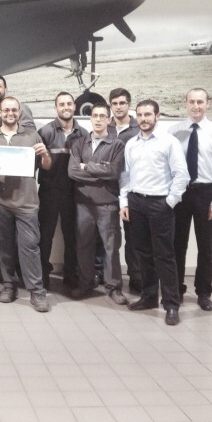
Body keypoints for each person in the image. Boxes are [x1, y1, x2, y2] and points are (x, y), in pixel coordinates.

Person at [119, 99, 189, 326]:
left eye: (148, 114)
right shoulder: (131, 144)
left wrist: (170, 202)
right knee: (142, 253)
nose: (143, 119)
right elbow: (126, 176)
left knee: (164, 255)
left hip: (160, 204)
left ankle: (171, 305)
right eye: (140, 115)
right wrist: (124, 202)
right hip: (136, 203)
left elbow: (182, 175)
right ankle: (149, 297)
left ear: (157, 116)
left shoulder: (169, 142)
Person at [0, 96, 52, 312]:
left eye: (14, 110)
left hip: (26, 203)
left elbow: (46, 166)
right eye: (6, 110)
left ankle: (37, 292)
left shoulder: (32, 135)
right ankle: (9, 285)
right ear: (0, 112)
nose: (10, 113)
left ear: (19, 112)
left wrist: (45, 154)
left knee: (30, 246)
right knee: (3, 247)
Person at [168, 88, 212, 311]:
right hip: (180, 193)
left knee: (206, 246)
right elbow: (168, 165)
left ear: (208, 104)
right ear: (186, 103)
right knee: (177, 244)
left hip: (205, 193)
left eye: (200, 102)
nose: (196, 106)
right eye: (192, 102)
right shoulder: (174, 131)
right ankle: (176, 289)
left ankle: (204, 292)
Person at [68, 103, 128, 305]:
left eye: (103, 116)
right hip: (83, 203)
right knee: (83, 245)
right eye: (95, 115)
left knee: (111, 248)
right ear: (90, 118)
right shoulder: (80, 143)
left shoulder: (117, 145)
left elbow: (114, 172)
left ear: (109, 119)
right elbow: (73, 172)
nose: (99, 119)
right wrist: (100, 170)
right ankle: (85, 283)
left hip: (107, 204)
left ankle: (114, 287)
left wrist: (87, 167)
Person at [37, 92, 86, 288]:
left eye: (69, 104)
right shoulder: (45, 131)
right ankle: (43, 275)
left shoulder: (83, 134)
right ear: (56, 108)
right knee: (45, 236)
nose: (66, 107)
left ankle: (71, 275)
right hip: (49, 191)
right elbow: (36, 164)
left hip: (73, 193)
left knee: (72, 236)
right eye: (61, 104)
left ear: (74, 106)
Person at [108, 87, 141, 292]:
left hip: (131, 191)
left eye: (122, 103)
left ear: (129, 105)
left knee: (134, 237)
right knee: (108, 236)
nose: (118, 107)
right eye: (115, 103)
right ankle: (104, 275)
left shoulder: (139, 129)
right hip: (107, 189)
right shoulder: (105, 127)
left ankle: (136, 277)